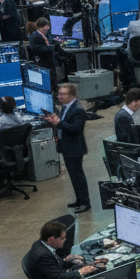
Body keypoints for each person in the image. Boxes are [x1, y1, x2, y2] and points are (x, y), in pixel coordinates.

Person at [43, 83, 90, 212]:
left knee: (78, 176)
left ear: (72, 95)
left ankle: (86, 202)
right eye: (59, 94)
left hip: (74, 147)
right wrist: (55, 121)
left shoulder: (78, 109)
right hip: (67, 146)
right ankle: (79, 199)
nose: (60, 96)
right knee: (73, 176)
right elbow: (63, 123)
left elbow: (76, 129)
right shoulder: (66, 107)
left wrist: (59, 122)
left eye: (63, 94)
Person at [26, 220, 96, 279]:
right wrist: (80, 272)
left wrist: (70, 262)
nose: (64, 240)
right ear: (51, 239)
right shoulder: (42, 255)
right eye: (62, 238)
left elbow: (54, 264)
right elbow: (59, 278)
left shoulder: (42, 243)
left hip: (53, 278)